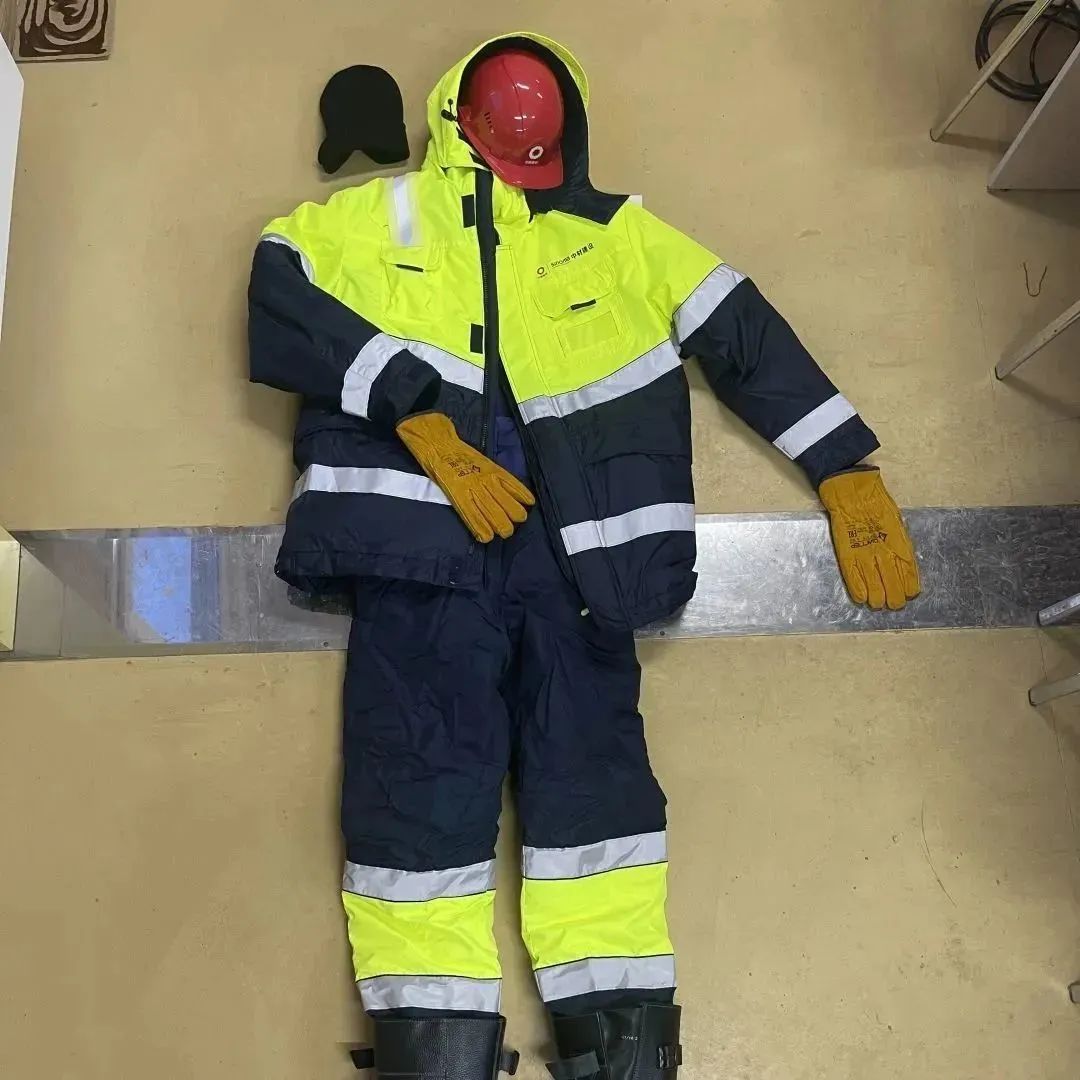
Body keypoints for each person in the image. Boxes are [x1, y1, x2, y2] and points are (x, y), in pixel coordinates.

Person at [247, 31, 920, 1080]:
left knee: (593, 803)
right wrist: (414, 414)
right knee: (418, 795)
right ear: (459, 123)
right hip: (421, 557)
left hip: (580, 564)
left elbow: (742, 330)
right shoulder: (373, 218)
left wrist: (841, 463)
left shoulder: (623, 236)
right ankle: (433, 1054)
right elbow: (275, 283)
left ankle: (621, 1052)